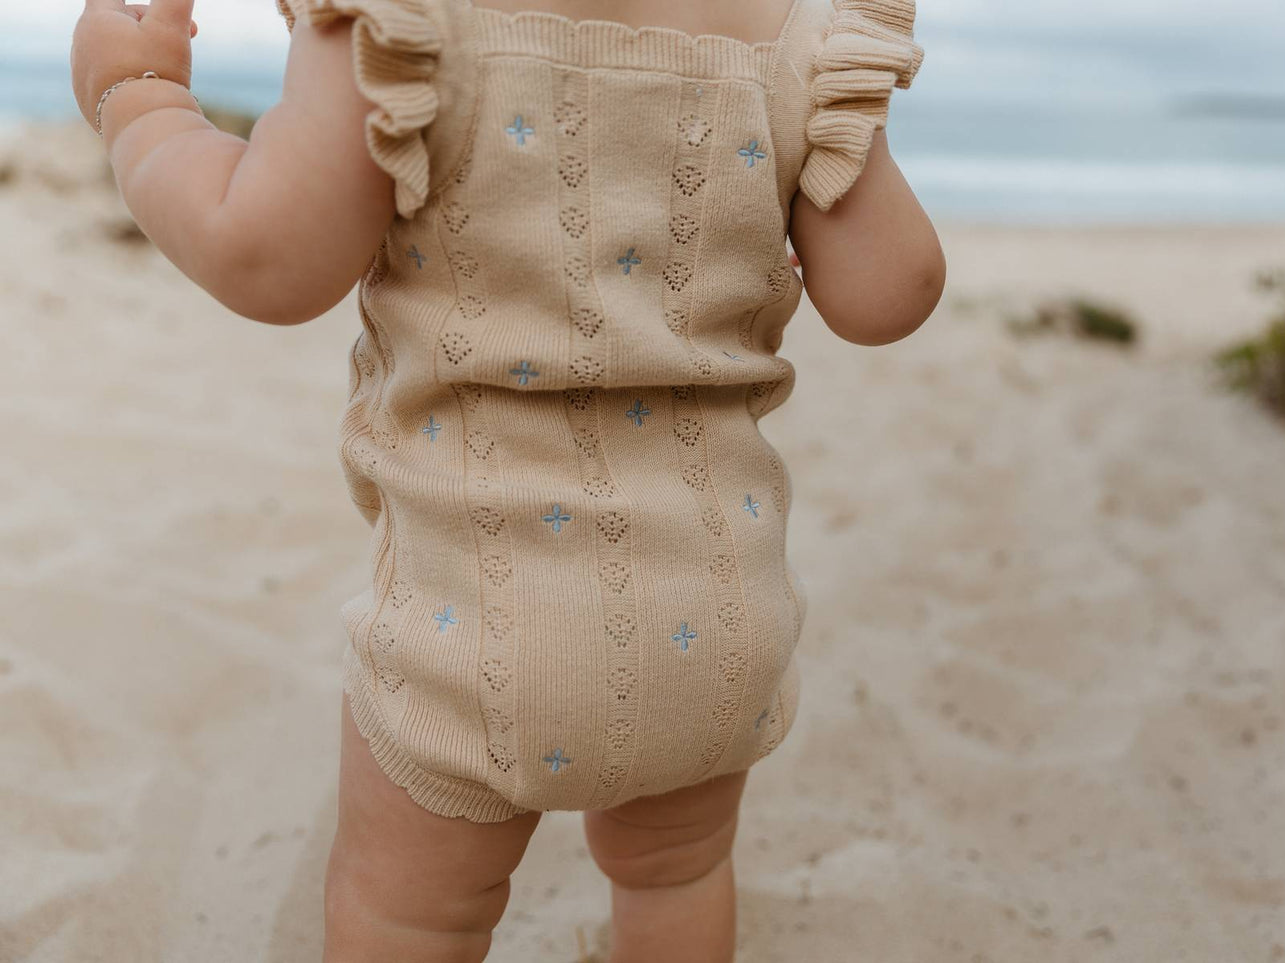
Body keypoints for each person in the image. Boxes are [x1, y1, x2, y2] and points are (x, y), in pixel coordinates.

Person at [70, 0, 945, 958]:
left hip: (476, 631)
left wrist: (139, 101)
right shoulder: (800, 35)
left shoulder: (403, 21)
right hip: (720, 616)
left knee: (409, 912)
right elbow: (887, 291)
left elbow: (263, 257)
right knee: (676, 874)